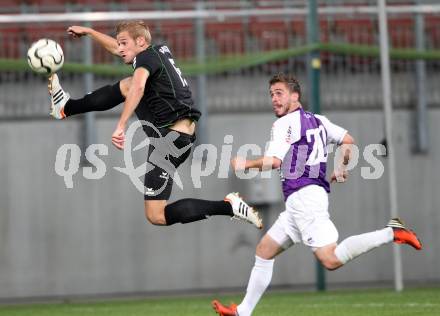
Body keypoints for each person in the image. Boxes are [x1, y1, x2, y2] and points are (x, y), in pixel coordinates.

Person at [211, 73, 422, 316]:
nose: (274, 99)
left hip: (304, 199)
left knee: (330, 259)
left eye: (279, 93)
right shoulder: (318, 120)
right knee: (264, 250)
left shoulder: (284, 124)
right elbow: (348, 141)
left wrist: (244, 164)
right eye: (271, 95)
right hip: (302, 200)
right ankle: (243, 311)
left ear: (295, 96)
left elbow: (275, 161)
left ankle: (391, 232)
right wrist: (341, 168)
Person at [48, 21, 262, 229]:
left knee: (156, 215)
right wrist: (89, 32)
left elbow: (139, 87)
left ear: (140, 41)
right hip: (176, 136)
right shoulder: (156, 52)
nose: (120, 48)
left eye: (124, 43)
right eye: (119, 43)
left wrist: (121, 124)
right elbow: (118, 52)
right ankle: (66, 107)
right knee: (127, 84)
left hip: (168, 142)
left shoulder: (146, 58)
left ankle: (229, 207)